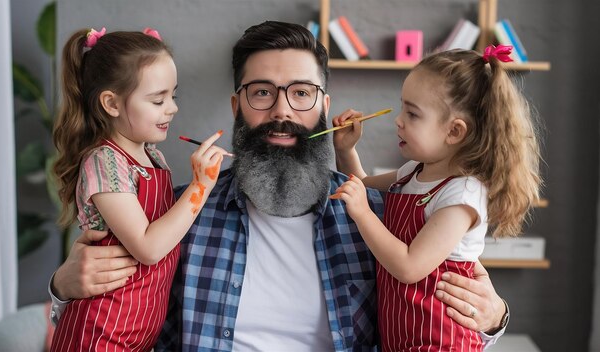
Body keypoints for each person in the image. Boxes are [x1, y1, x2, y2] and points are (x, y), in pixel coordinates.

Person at [49, 21, 510, 351]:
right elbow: (115, 318)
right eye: (262, 92)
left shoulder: (381, 216)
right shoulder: (176, 216)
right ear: (237, 107)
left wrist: (493, 319)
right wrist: (62, 288)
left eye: (302, 93)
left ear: (324, 106)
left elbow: (437, 318)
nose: (282, 111)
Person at [330, 45, 542, 351]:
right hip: (402, 337)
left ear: (454, 131)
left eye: (413, 113)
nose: (398, 120)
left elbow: (409, 267)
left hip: (440, 340)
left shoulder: (462, 194)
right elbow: (362, 185)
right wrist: (346, 150)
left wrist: (362, 213)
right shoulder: (412, 173)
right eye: (402, 108)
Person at [49, 27, 226, 351]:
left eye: (173, 96)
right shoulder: (104, 162)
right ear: (111, 103)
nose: (171, 108)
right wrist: (200, 185)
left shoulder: (153, 157)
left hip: (137, 333)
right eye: (158, 99)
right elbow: (148, 247)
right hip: (99, 334)